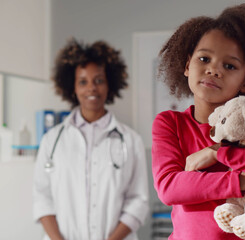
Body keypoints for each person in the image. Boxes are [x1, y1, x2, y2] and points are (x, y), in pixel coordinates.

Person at [152, 4, 245, 240]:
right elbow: (169, 187)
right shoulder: (170, 123)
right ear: (186, 66)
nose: (213, 70)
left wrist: (217, 152)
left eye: (229, 65)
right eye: (204, 58)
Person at [33, 38, 149, 240]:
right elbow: (42, 197)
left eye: (99, 80)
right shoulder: (51, 140)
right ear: (72, 87)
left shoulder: (131, 140)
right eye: (83, 81)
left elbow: (138, 201)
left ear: (109, 85)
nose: (91, 88)